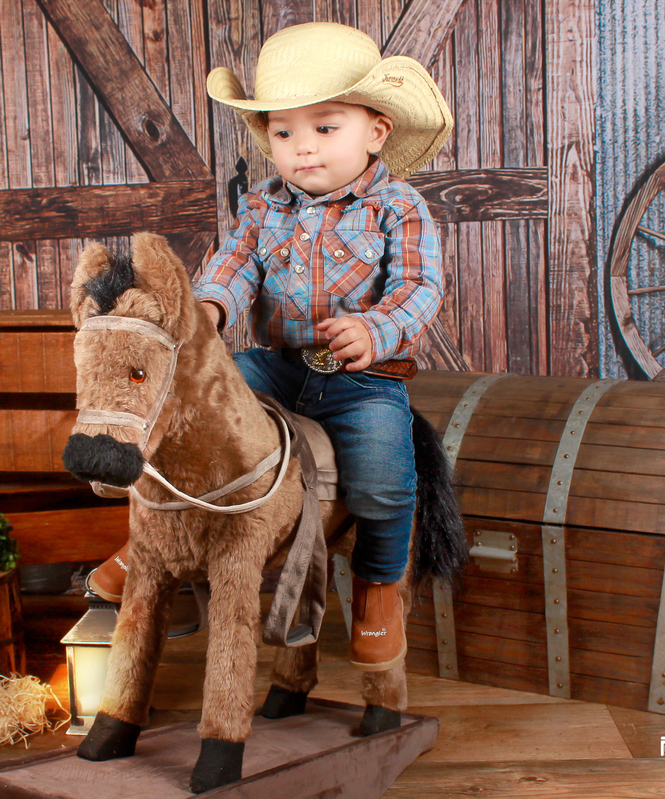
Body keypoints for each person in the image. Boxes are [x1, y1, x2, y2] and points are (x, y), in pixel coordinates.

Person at [88, 21, 452, 672]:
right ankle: (148, 545)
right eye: (283, 133)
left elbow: (421, 286)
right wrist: (206, 306)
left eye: (324, 127)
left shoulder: (398, 208)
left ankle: (376, 591)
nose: (301, 149)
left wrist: (375, 328)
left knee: (385, 483)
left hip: (360, 377)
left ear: (377, 131)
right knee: (191, 408)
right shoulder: (262, 205)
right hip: (277, 367)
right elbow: (236, 264)